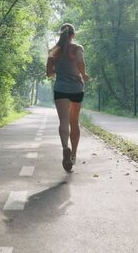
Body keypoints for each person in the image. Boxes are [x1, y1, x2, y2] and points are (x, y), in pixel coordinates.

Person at [46, 23, 89, 171]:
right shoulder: (78, 48)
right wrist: (83, 75)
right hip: (76, 89)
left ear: (60, 35)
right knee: (74, 122)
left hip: (61, 89)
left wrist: (57, 67)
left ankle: (65, 147)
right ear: (73, 35)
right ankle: (73, 156)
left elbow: (49, 73)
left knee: (63, 121)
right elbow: (81, 62)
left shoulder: (53, 51)